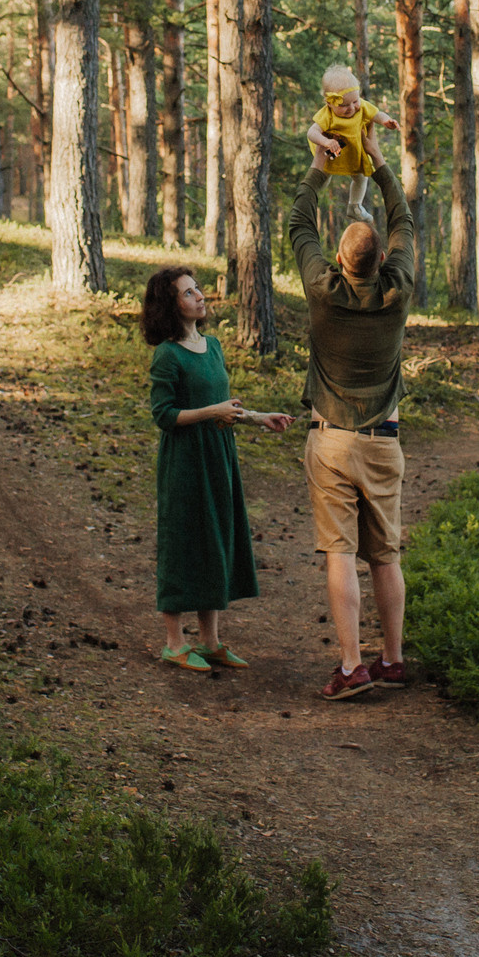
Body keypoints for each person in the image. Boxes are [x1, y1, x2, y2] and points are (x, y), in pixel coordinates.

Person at [285, 148, 417, 700]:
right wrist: (381, 162)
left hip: (331, 442)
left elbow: (298, 221)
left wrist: (320, 163)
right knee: (385, 555)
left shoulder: (322, 288)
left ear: (338, 261)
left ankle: (349, 666)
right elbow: (403, 217)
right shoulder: (398, 288)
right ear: (383, 256)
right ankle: (391, 659)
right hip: (384, 444)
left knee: (340, 552)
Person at [141, 266, 292, 671]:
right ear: (171, 305)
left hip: (218, 455)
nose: (200, 296)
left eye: (198, 289)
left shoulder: (213, 346)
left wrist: (258, 417)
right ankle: (174, 643)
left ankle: (210, 642)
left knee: (215, 539)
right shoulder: (167, 355)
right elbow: (164, 416)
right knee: (183, 543)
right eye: (189, 293)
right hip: (185, 461)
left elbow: (225, 408)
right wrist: (213, 412)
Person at [305, 63, 400, 224]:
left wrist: (386, 121)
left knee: (361, 178)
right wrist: (326, 141)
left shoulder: (362, 107)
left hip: (354, 154)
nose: (351, 108)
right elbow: (311, 132)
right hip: (332, 154)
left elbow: (377, 114)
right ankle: (309, 201)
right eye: (343, 105)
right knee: (323, 178)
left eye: (354, 101)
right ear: (329, 103)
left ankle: (355, 206)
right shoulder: (327, 115)